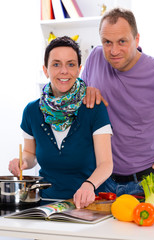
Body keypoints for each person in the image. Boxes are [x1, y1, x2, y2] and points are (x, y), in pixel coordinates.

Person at [8, 36, 113, 208]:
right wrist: (23, 162)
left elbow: (106, 164)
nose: (64, 71)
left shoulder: (94, 107)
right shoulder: (31, 111)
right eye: (56, 64)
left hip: (87, 203)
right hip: (45, 204)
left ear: (79, 69)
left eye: (70, 64)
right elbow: (30, 153)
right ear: (46, 69)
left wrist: (89, 185)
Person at [81, 8, 154, 196]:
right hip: (101, 181)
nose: (114, 51)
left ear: (137, 39)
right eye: (107, 42)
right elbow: (78, 105)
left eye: (122, 41)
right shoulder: (95, 58)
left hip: (147, 183)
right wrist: (84, 92)